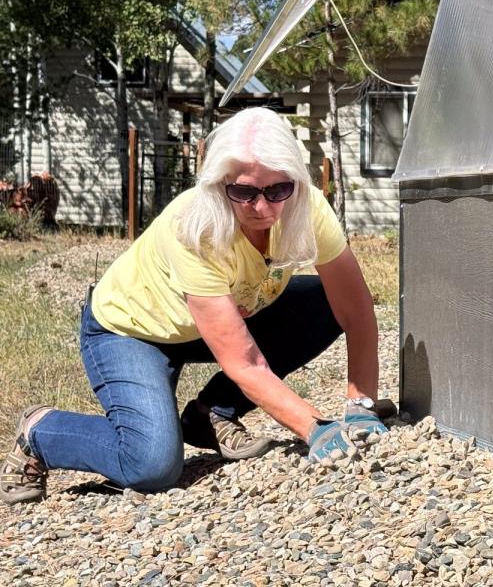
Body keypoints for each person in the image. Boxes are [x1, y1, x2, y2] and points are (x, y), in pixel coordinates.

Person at [0, 107, 388, 505]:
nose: (263, 208)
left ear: (295, 182)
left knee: (325, 302)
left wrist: (361, 405)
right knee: (152, 465)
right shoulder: (195, 227)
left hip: (217, 320)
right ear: (219, 187)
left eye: (277, 190)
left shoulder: (306, 209)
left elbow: (355, 308)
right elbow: (245, 362)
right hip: (132, 332)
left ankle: (209, 414)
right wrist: (315, 428)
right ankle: (42, 431)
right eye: (243, 192)